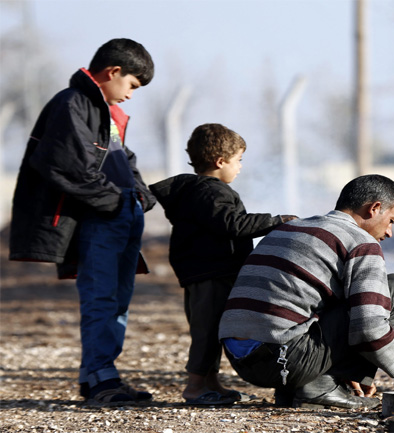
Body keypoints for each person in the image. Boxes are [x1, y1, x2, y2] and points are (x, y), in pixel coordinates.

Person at [8, 39, 156, 404]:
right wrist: (115, 202)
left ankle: (98, 376)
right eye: (133, 86)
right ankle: (102, 379)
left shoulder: (103, 111)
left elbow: (125, 160)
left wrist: (140, 196)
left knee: (118, 300)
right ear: (113, 72)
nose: (132, 95)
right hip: (102, 218)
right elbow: (65, 164)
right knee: (101, 297)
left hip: (121, 214)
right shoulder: (72, 104)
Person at [218, 174, 394, 409]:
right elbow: (369, 328)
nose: (389, 232)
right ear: (374, 208)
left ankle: (315, 383)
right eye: (392, 220)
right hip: (284, 359)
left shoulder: (291, 227)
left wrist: (349, 367)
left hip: (242, 361)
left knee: (349, 297)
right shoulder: (361, 242)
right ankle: (319, 386)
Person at [150, 123, 297, 405]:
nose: (240, 166)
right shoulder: (211, 192)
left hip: (206, 271)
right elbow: (232, 223)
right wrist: (275, 221)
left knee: (214, 328)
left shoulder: (201, 191)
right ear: (220, 162)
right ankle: (194, 387)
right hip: (211, 272)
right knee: (206, 331)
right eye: (238, 160)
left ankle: (211, 382)